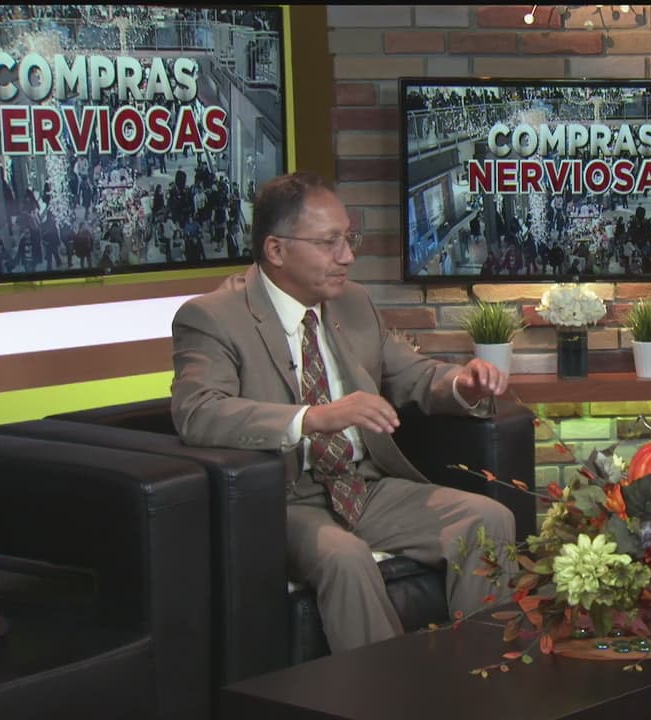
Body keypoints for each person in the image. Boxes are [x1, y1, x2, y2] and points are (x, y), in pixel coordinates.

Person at [170, 171, 516, 653]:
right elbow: (199, 412)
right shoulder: (212, 317)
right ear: (276, 250)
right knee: (346, 558)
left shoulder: (354, 303)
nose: (347, 256)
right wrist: (313, 418)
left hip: (362, 486)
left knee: (488, 519)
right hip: (284, 500)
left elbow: (413, 375)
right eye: (329, 242)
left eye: (349, 239)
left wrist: (463, 383)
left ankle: (483, 675)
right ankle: (385, 690)